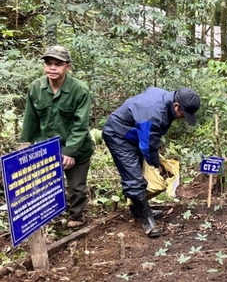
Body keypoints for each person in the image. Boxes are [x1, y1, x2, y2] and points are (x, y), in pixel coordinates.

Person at [103, 87, 201, 238]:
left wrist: (155, 160)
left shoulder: (165, 100)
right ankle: (147, 220)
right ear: (176, 106)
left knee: (140, 172)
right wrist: (157, 165)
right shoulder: (154, 114)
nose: (183, 118)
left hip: (133, 133)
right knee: (134, 178)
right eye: (183, 114)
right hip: (119, 135)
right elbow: (148, 145)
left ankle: (138, 209)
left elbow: (149, 139)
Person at [20, 45, 95, 228]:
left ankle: (76, 218)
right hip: (47, 147)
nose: (52, 68)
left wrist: (70, 152)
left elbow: (81, 125)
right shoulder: (36, 87)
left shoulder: (80, 90)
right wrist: (24, 144)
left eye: (58, 64)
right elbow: (30, 118)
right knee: (45, 185)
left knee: (76, 187)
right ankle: (48, 217)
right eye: (48, 63)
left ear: (67, 67)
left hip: (77, 148)